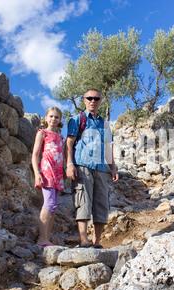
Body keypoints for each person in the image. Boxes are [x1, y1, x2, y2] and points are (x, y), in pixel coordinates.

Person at [65, 89, 119, 249]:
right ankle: (84, 241)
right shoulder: (77, 119)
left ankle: (96, 242)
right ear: (84, 100)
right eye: (89, 98)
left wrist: (113, 169)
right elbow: (69, 143)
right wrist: (69, 164)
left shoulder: (104, 124)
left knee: (102, 204)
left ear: (100, 101)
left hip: (101, 169)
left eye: (96, 98)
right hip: (82, 165)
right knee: (83, 202)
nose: (93, 101)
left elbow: (108, 147)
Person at [32, 107, 65, 247]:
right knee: (49, 203)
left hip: (58, 173)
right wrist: (37, 173)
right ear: (45, 118)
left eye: (56, 117)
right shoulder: (42, 133)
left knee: (54, 206)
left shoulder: (60, 137)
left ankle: (47, 238)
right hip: (47, 170)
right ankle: (41, 239)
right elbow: (35, 154)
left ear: (60, 120)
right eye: (51, 116)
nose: (53, 119)